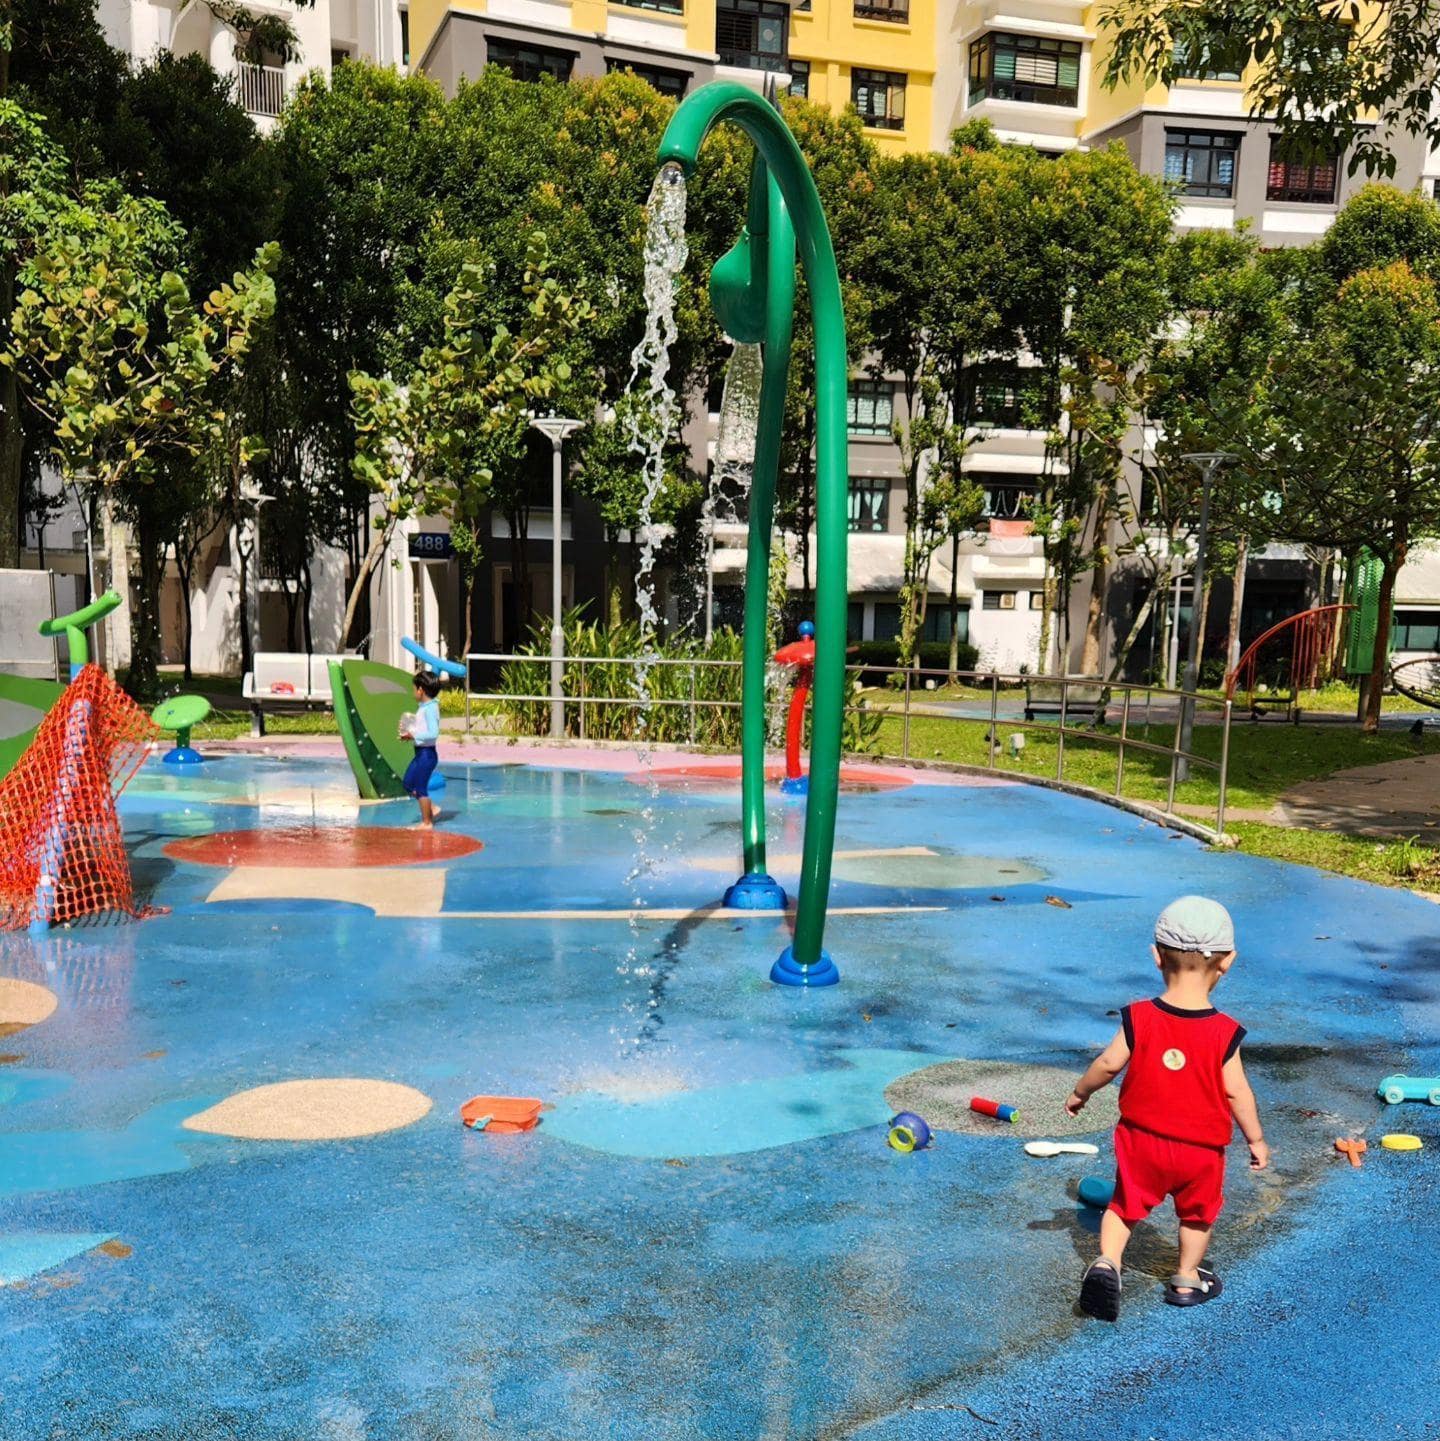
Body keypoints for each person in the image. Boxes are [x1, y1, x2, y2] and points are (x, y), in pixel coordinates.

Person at [1065, 895, 1269, 1322]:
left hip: (1142, 1143)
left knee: (1123, 1207)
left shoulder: (1139, 1017)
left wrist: (1081, 1093)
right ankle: (1186, 1278)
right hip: (1200, 1152)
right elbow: (1237, 1094)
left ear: (1156, 956)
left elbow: (1107, 1064)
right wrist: (1256, 1139)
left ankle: (1107, 1263)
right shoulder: (1223, 1032)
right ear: (1227, 962)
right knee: (1197, 1216)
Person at [403, 671, 442, 828]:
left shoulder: (431, 708)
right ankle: (432, 807)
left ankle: (427, 823)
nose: (414, 692)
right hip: (420, 753)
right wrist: (408, 733)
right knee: (408, 783)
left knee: (420, 788)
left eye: (414, 688)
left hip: (427, 755)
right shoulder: (424, 707)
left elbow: (433, 733)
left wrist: (413, 735)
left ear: (421, 690)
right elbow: (422, 728)